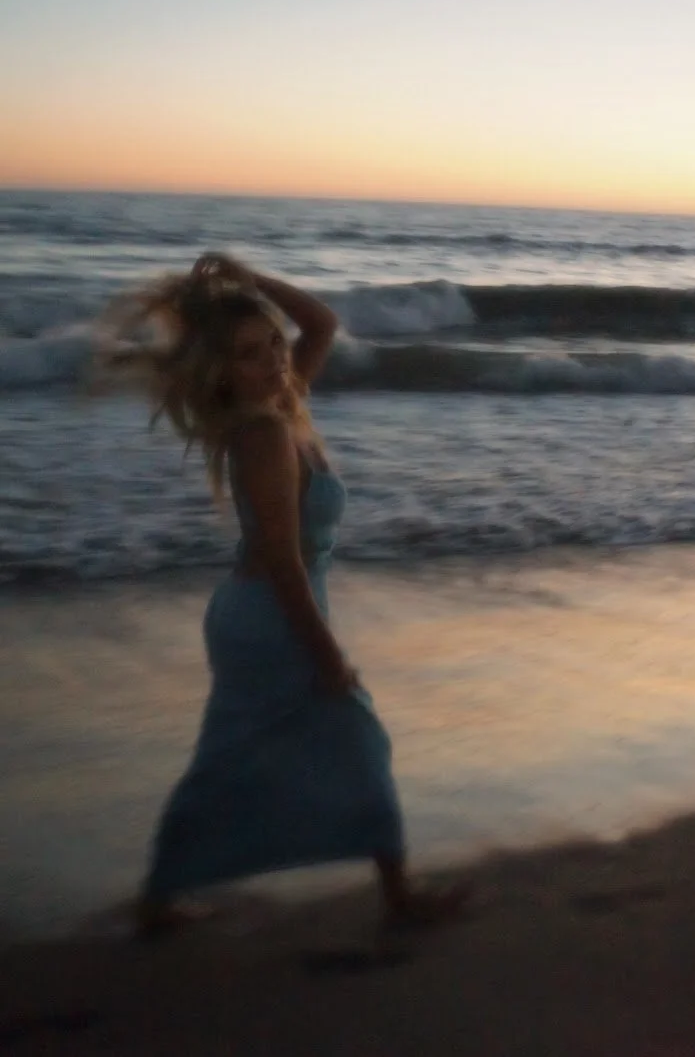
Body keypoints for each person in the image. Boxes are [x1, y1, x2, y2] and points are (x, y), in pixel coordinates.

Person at [98, 252, 466, 936]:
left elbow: (322, 323)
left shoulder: (282, 404)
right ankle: (400, 895)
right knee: (357, 738)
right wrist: (326, 654)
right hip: (272, 614)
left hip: (260, 612)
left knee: (231, 755)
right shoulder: (265, 432)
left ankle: (160, 896)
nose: (273, 359)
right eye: (249, 353)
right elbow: (283, 563)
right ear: (222, 371)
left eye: (272, 343)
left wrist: (252, 284)